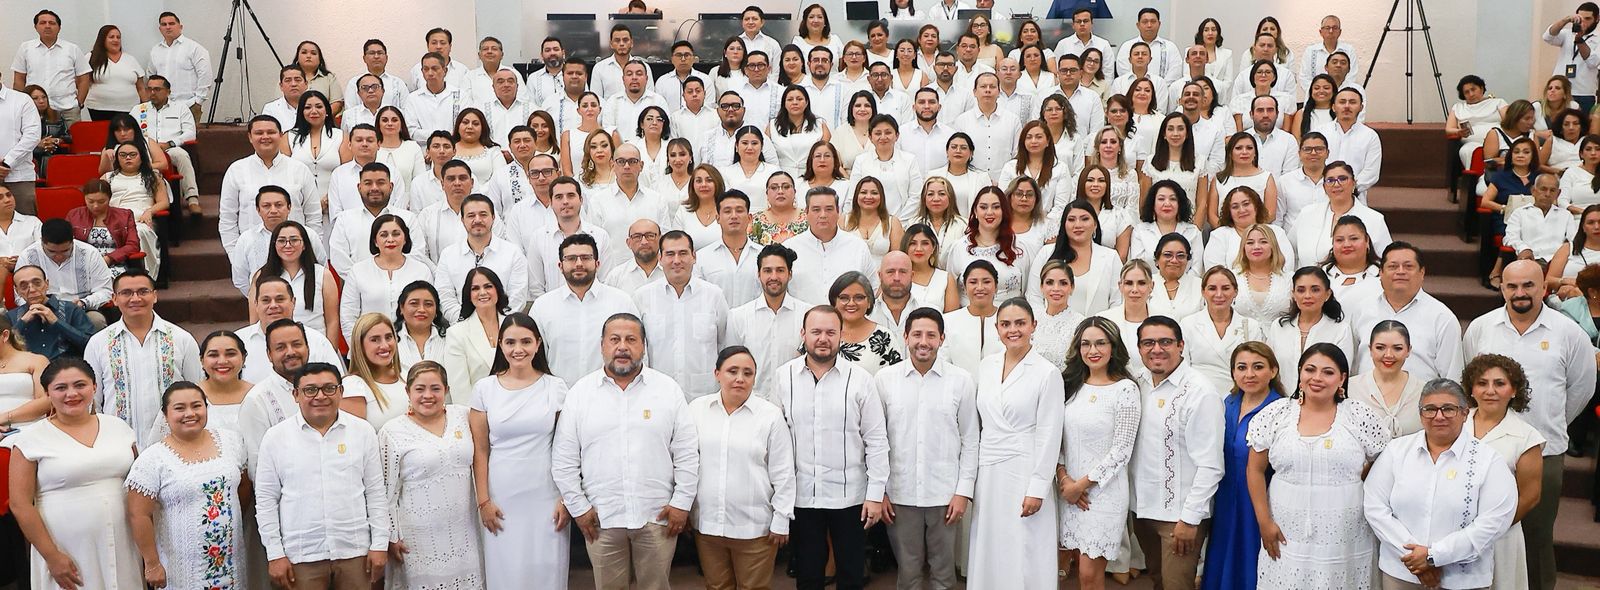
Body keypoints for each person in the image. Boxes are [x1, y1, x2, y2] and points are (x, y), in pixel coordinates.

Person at [1463, 258, 1596, 589]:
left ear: (1544, 287)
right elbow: (1469, 380)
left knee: (1536, 538)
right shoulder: (1481, 328)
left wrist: (1548, 425)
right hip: (1485, 450)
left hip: (1544, 451)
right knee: (1478, 531)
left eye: (1528, 285)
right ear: (1502, 288)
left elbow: (1582, 388)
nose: (1519, 292)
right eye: (1512, 286)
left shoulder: (1569, 333)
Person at [553, 313, 699, 590]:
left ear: (643, 346)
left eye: (631, 339)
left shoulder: (667, 390)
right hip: (601, 516)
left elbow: (687, 452)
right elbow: (564, 459)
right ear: (602, 346)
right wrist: (579, 508)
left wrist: (682, 502)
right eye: (615, 339)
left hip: (657, 514)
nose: (622, 347)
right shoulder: (580, 394)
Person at [1246, 343, 1389, 589]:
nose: (1317, 378)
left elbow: (1384, 461)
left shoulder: (1359, 415)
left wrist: (1353, 481)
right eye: (1310, 370)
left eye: (1328, 372)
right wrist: (1264, 522)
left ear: (1342, 378)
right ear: (1300, 373)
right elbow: (1255, 470)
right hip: (1285, 528)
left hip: (1345, 531)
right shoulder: (1277, 413)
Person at [771, 305, 888, 590]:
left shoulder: (860, 380)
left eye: (830, 332)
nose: (823, 338)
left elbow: (876, 440)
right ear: (803, 334)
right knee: (808, 575)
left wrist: (875, 495)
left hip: (850, 497)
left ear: (841, 335)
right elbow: (776, 441)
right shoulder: (783, 377)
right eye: (816, 332)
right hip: (803, 496)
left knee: (851, 575)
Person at [1364, 378, 1518, 590]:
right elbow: (1375, 506)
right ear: (1420, 414)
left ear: (1465, 413)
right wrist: (1416, 559)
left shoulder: (1489, 461)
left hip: (1463, 580)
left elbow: (1494, 522)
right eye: (1430, 409)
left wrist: (1434, 556)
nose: (1439, 416)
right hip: (1402, 573)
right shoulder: (1396, 451)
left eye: (1448, 409)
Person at [3, 357, 142, 589]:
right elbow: (20, 505)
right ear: (47, 393)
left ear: (94, 387)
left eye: (80, 385)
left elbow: (140, 486)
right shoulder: (30, 439)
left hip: (123, 542)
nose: (72, 394)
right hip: (64, 548)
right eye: (61, 388)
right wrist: (51, 556)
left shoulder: (119, 428)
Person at [255, 362, 389, 589]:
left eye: (329, 388)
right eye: (310, 390)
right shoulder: (275, 438)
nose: (320, 396)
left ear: (341, 392)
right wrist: (275, 554)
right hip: (301, 555)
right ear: (296, 395)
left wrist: (379, 544)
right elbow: (267, 500)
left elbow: (376, 493)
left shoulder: (362, 431)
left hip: (355, 551)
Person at [966, 298, 1064, 587]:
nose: (1013, 330)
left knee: (1024, 544)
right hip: (989, 469)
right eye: (1005, 324)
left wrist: (1038, 488)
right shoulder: (987, 365)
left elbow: (1050, 434)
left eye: (1020, 323)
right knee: (990, 540)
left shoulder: (1047, 372)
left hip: (1025, 468)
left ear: (1033, 325)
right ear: (997, 328)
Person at [467, 315, 569, 589]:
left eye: (526, 341)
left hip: (547, 494)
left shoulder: (556, 387)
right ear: (500, 345)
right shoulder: (484, 389)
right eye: (510, 342)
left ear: (538, 344)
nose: (518, 349)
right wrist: (483, 502)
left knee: (546, 570)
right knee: (506, 571)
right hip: (501, 496)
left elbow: (566, 448)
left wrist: (566, 498)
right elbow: (480, 451)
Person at [125, 382, 251, 590]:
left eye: (196, 406)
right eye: (179, 408)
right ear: (165, 415)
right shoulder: (153, 459)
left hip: (230, 563)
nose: (190, 413)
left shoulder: (231, 441)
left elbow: (244, 486)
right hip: (181, 569)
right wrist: (152, 564)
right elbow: (138, 514)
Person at [689, 346, 795, 590]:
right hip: (708, 525)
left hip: (755, 527)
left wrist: (782, 518)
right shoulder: (697, 410)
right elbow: (686, 462)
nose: (740, 378)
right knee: (716, 586)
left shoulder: (770, 416)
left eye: (748, 373)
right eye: (732, 371)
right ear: (717, 373)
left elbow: (783, 473)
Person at [1131, 315, 1223, 590]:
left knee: (1177, 585)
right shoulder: (1136, 382)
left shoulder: (1200, 392)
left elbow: (1211, 465)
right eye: (1148, 343)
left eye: (1165, 342)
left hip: (1179, 516)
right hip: (1142, 510)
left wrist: (1190, 519)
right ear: (1139, 348)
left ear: (1181, 345)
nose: (1156, 349)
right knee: (1158, 581)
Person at [379, 360, 483, 588]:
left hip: (464, 533)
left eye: (435, 388)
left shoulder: (464, 416)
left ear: (446, 390)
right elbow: (387, 492)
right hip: (417, 539)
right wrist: (392, 535)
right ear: (408, 391)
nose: (428, 395)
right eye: (420, 389)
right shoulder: (392, 431)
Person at [1056, 316, 1141, 590]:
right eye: (1086, 344)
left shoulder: (1125, 389)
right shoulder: (1071, 386)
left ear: (1113, 347)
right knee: (1073, 572)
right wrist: (1064, 479)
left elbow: (1122, 450)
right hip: (1069, 492)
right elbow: (1059, 440)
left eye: (1100, 343)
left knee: (1089, 576)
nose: (1093, 350)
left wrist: (1081, 485)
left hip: (1103, 494)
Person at [85, 269, 202, 449]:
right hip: (117, 446)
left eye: (143, 291)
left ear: (155, 296)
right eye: (126, 293)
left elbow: (197, 390)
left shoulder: (181, 339)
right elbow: (93, 400)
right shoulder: (98, 343)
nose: (135, 298)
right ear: (114, 299)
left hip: (173, 445)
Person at [1200, 341, 1284, 590]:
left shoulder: (1281, 410)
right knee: (1222, 556)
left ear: (1273, 370)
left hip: (1260, 501)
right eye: (1242, 367)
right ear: (1233, 372)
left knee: (1253, 560)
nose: (1249, 374)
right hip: (1225, 497)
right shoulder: (1228, 403)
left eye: (1258, 367)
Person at [1460, 354, 1548, 590]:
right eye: (1482, 383)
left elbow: (1530, 496)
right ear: (1471, 389)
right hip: (1450, 532)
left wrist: (1486, 531)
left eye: (1499, 383)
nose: (1490, 391)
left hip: (1500, 538)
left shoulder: (1527, 437)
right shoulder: (1454, 424)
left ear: (1514, 390)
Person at [530, 234, 640, 381]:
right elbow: (533, 358)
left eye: (586, 258)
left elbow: (638, 352)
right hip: (558, 393)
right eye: (571, 258)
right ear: (560, 266)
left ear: (597, 264)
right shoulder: (542, 307)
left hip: (610, 392)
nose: (579, 264)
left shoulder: (621, 302)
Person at [1348, 243, 1463, 381]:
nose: (1401, 271)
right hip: (1365, 393)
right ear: (1381, 273)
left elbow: (1452, 377)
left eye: (1408, 266)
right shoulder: (1362, 310)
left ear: (1422, 273)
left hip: (1421, 394)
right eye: (1393, 266)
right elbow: (1350, 366)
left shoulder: (1442, 318)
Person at [218, 116, 318, 249]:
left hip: (294, 251)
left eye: (271, 132)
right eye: (259, 133)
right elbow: (227, 219)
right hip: (252, 251)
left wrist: (310, 250)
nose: (265, 137)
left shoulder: (300, 169)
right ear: (250, 137)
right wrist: (235, 253)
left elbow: (313, 216)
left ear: (281, 135)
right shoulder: (236, 170)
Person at [726, 243, 808, 397]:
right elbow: (731, 365)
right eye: (768, 270)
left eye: (780, 270)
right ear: (759, 274)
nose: (774, 277)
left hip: (795, 401)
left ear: (790, 274)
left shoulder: (807, 315)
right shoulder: (738, 317)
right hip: (752, 404)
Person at [433, 195, 530, 321]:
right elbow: (445, 296)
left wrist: (496, 322)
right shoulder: (448, 255)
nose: (477, 220)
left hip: (503, 327)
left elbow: (517, 297)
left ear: (493, 217)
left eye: (483, 215)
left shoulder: (513, 253)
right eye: (471, 215)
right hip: (461, 327)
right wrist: (466, 322)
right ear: (462, 220)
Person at [338, 214, 433, 342]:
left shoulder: (421, 270)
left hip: (411, 345)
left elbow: (430, 311)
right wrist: (359, 348)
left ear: (405, 239)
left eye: (396, 234)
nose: (390, 239)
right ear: (375, 241)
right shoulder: (358, 271)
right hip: (370, 345)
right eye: (384, 235)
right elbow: (348, 316)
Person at [236, 275, 344, 384]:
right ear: (256, 304)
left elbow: (338, 383)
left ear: (293, 302)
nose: (273, 305)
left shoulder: (318, 341)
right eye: (266, 300)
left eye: (280, 299)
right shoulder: (239, 341)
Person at [1266, 267, 1356, 393]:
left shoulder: (1341, 330)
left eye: (1315, 290)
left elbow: (1340, 373)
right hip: (1281, 400)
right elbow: (1269, 368)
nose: (1307, 296)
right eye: (1301, 290)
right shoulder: (1279, 326)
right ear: (1293, 294)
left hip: (1323, 401)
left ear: (1327, 294)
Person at [1181, 267, 1266, 394]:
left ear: (1235, 291)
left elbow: (1258, 367)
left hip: (1241, 396)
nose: (1219, 294)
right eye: (1212, 288)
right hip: (1198, 395)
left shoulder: (1250, 326)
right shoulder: (1188, 324)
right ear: (1203, 292)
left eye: (1226, 288)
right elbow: (1184, 368)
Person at [16, 218, 113, 329]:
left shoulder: (90, 253)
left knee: (96, 320)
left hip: (81, 309)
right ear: (42, 241)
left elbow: (105, 290)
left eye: (65, 251)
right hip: (41, 309)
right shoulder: (28, 256)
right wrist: (38, 308)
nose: (59, 256)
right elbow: (19, 295)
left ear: (73, 240)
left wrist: (84, 303)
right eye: (52, 251)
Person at [250, 221, 339, 340]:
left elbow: (332, 321)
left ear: (304, 245)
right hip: (274, 345)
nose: (288, 245)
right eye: (282, 241)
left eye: (294, 240)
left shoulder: (322, 274)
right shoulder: (261, 276)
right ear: (274, 245)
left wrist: (329, 349)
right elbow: (254, 322)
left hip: (315, 344)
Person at [1290, 161, 1391, 266]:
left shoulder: (1375, 219)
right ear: (1324, 187)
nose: (1336, 184)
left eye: (1342, 179)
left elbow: (1385, 260)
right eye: (1330, 180)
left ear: (1353, 183)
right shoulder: (1307, 214)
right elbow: (1290, 251)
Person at [129, 75, 201, 213]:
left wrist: (170, 144)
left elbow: (190, 133)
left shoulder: (181, 108)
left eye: (157, 89)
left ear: (168, 91)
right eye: (149, 89)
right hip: (145, 149)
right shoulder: (138, 110)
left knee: (182, 155)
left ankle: (192, 199)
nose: (152, 93)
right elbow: (129, 132)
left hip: (170, 148)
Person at [1349, 320, 1428, 438]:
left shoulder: (1424, 391)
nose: (1389, 355)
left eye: (1397, 348)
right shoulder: (1350, 388)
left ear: (1408, 350)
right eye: (1380, 348)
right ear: (1370, 349)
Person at [100, 141, 166, 276]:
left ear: (141, 157)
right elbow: (98, 201)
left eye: (132, 154)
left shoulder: (152, 176)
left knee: (139, 232)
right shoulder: (107, 178)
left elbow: (163, 202)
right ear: (117, 159)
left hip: (140, 219)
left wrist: (150, 211)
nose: (128, 158)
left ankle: (144, 275)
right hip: (114, 220)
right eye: (123, 155)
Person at [11, 10, 88, 127]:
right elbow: (19, 79)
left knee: (74, 138)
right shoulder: (25, 48)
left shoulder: (72, 49)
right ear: (35, 27)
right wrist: (21, 104)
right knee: (36, 138)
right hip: (35, 109)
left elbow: (84, 79)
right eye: (43, 23)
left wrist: (79, 103)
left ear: (59, 27)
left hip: (68, 109)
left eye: (52, 23)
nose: (47, 26)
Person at [443, 267, 510, 399]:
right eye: (475, 288)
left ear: (498, 290)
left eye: (488, 286)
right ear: (468, 295)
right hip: (479, 409)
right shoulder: (457, 334)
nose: (482, 292)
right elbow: (459, 390)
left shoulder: (515, 326)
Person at [8, 264, 93, 359]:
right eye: (24, 286)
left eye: (37, 283)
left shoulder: (71, 309)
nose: (32, 290)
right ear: (17, 291)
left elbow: (90, 345)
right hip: (28, 366)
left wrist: (56, 322)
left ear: (46, 284)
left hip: (66, 365)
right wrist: (22, 323)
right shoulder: (11, 316)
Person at [339, 313, 407, 430]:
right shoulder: (353, 386)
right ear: (360, 345)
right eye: (375, 340)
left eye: (388, 337)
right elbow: (355, 437)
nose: (384, 345)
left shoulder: (407, 375)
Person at [698, 191, 763, 306]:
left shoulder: (764, 256)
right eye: (727, 211)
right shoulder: (702, 258)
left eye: (739, 211)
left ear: (749, 218)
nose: (734, 216)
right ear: (718, 218)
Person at [1312, 88, 1381, 194]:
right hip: (1320, 193)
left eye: (1352, 102)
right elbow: (1312, 164)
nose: (1347, 106)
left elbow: (1371, 173)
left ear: (1361, 107)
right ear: (1333, 107)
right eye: (1342, 102)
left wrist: (1349, 189)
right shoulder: (1320, 132)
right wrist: (1326, 186)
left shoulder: (1370, 136)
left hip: (1354, 195)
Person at [80, 25, 146, 121]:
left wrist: (147, 107)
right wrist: (79, 102)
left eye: (118, 37)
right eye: (111, 37)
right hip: (99, 109)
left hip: (129, 109)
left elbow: (141, 88)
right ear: (103, 39)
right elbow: (82, 82)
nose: (116, 40)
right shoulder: (91, 57)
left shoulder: (130, 59)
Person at [1544, 4, 1600, 112]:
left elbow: (1593, 62)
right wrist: (1566, 20)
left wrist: (1579, 40)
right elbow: (1548, 37)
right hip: (1560, 91)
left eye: (1588, 19)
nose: (1583, 22)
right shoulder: (1567, 34)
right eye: (1581, 18)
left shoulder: (1598, 39)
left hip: (1583, 93)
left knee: (1581, 122)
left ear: (1597, 19)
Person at [197, 330, 253, 432]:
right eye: (213, 355)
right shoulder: (188, 397)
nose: (222, 361)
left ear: (243, 358)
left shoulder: (259, 395)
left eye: (230, 354)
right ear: (202, 360)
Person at [407, 52, 467, 142]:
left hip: (455, 147)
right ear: (422, 72)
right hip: (423, 149)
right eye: (426, 69)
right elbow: (412, 132)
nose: (430, 73)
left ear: (445, 71)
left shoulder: (461, 96)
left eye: (435, 69)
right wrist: (438, 136)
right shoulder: (413, 98)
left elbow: (465, 126)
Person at [1115, 8, 1182, 81]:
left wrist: (1160, 86)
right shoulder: (1127, 46)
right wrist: (1138, 87)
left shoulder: (1170, 47)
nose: (1149, 25)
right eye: (1145, 22)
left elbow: (1175, 72)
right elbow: (1123, 72)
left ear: (1159, 24)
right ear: (1138, 25)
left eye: (1153, 21)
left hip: (1163, 87)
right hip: (1132, 87)